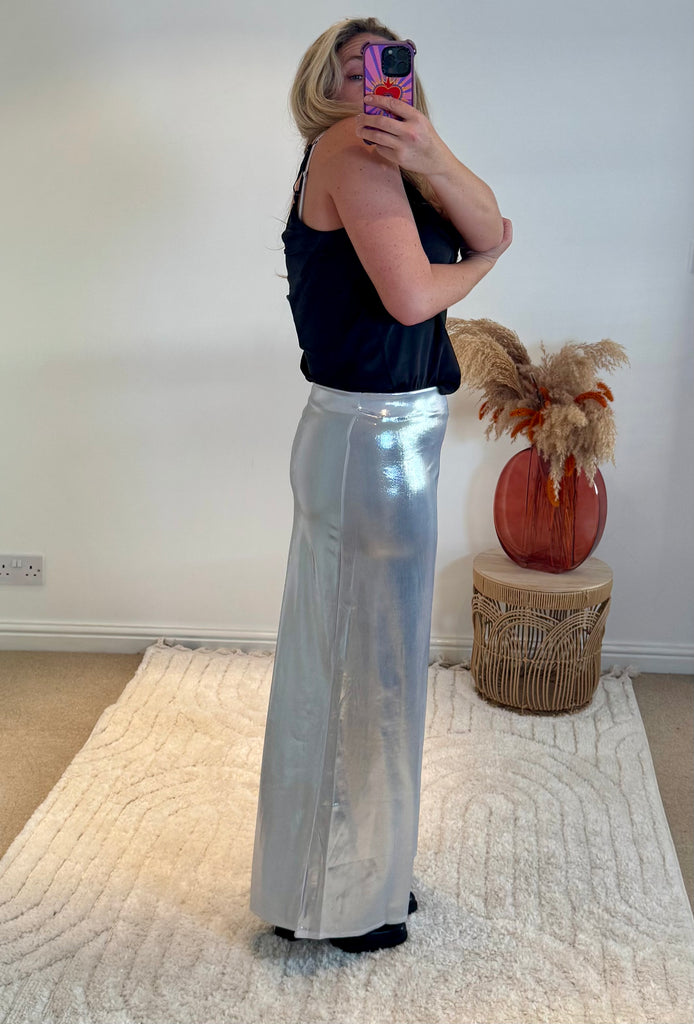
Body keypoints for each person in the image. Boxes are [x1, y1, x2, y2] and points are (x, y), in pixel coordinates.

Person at [249, 16, 512, 954]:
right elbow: (412, 296)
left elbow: (492, 220)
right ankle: (344, 900)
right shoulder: (348, 151)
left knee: (367, 663)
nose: (375, 86)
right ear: (324, 82)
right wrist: (480, 267)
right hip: (372, 437)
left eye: (389, 68)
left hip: (381, 434)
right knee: (364, 670)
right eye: (355, 70)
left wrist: (432, 154)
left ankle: (355, 875)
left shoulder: (396, 159)